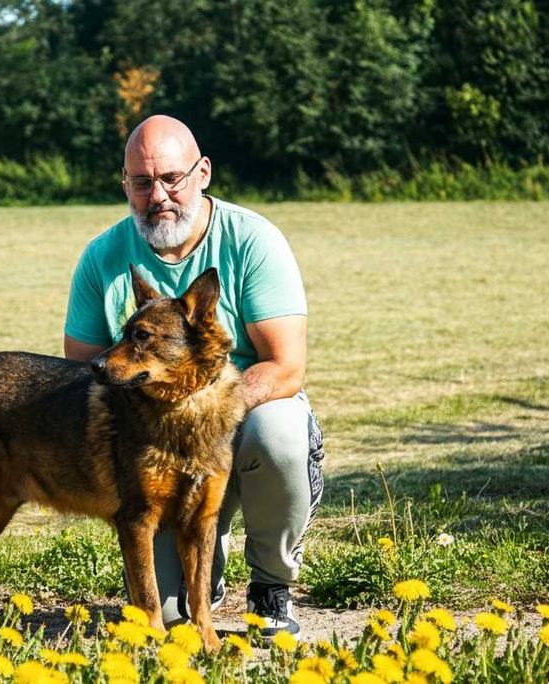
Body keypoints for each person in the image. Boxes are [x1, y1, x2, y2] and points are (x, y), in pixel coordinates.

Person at [62, 114, 324, 637]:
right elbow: (84, 373)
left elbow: (286, 366)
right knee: (176, 616)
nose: (157, 194)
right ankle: (204, 581)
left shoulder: (252, 240)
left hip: (241, 420)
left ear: (202, 173)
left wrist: (207, 413)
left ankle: (272, 585)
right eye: (141, 182)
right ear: (126, 186)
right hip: (151, 441)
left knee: (278, 434)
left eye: (171, 178)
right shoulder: (103, 257)